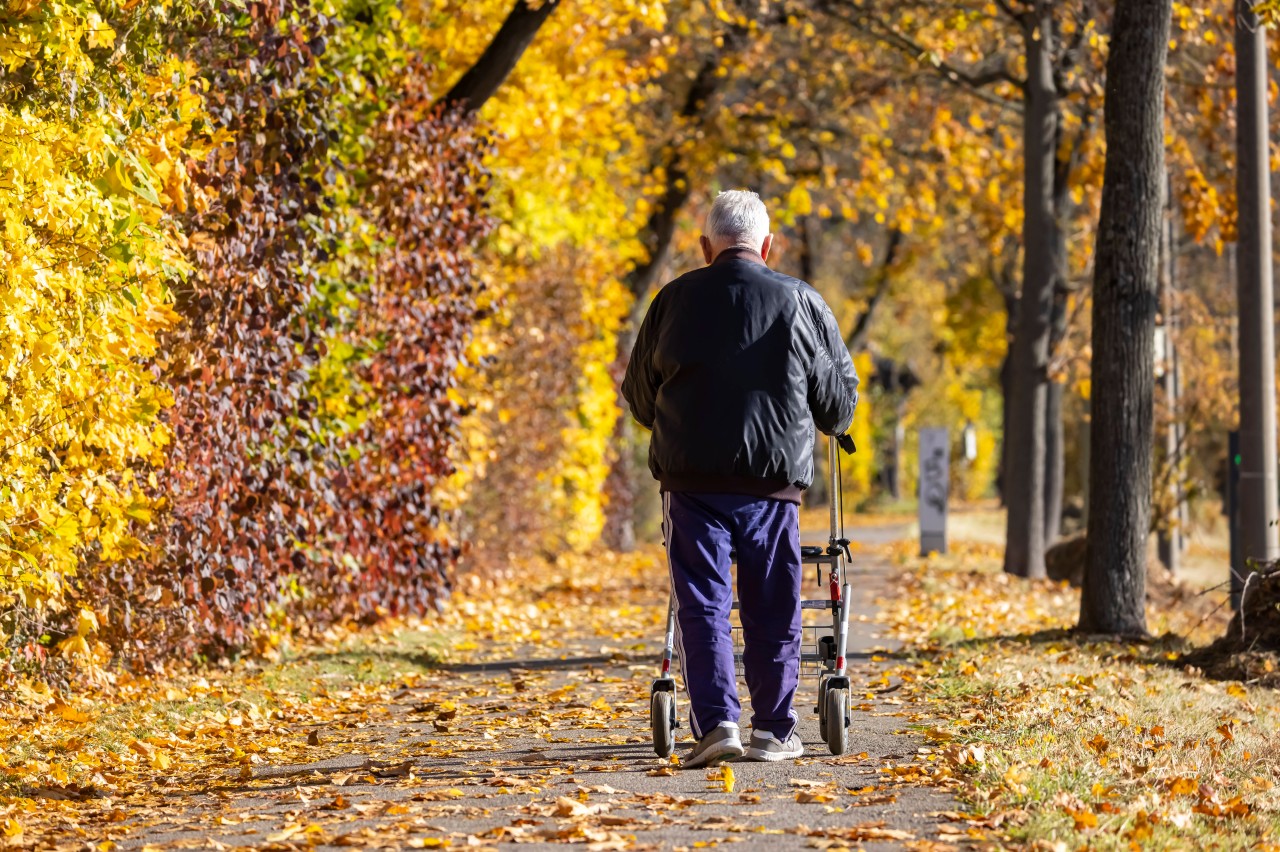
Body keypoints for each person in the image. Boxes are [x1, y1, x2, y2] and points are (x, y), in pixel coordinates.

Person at [622, 190, 859, 767]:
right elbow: (837, 402)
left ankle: (717, 724)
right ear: (768, 246)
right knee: (772, 603)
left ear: (706, 248)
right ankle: (774, 730)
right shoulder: (802, 302)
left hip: (691, 483)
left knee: (703, 601)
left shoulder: (672, 300)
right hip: (772, 485)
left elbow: (639, 397)